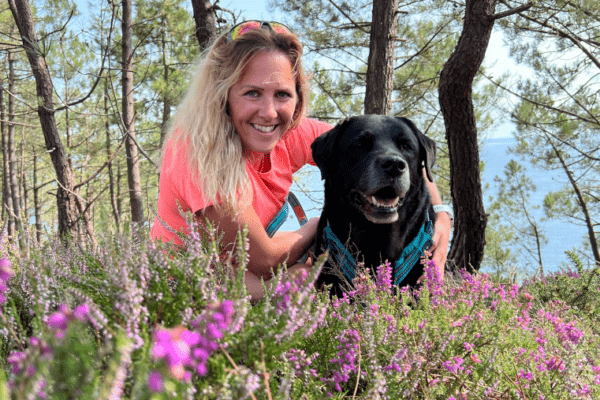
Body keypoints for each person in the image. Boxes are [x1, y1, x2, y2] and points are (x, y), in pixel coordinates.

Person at [151, 21, 452, 301]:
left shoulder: (288, 133)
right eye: (252, 93)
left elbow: (391, 154)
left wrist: (440, 214)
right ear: (222, 96)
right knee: (305, 278)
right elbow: (265, 258)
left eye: (282, 94)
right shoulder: (197, 152)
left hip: (242, 274)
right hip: (182, 294)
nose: (269, 112)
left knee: (308, 277)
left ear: (297, 98)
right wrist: (316, 226)